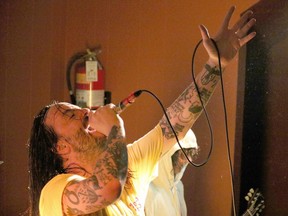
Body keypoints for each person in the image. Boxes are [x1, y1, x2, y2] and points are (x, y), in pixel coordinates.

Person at [28, 6, 256, 216]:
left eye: (79, 107)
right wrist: (114, 128)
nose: (85, 110)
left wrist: (215, 65)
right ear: (61, 147)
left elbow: (173, 125)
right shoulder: (54, 192)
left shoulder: (130, 167)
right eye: (70, 114)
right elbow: (108, 189)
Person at [144, 129, 199, 216]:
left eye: (190, 155)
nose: (186, 161)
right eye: (182, 155)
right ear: (168, 153)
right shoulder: (147, 191)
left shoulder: (179, 187)